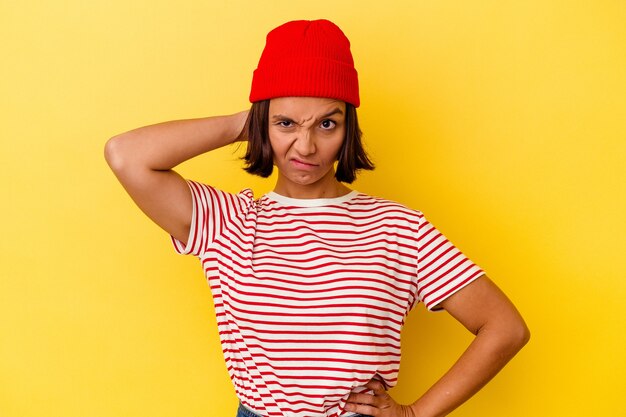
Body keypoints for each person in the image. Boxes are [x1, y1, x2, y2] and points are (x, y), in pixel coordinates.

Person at [104, 19, 529, 417]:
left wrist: (416, 413)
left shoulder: (400, 227)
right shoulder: (227, 220)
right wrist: (253, 118)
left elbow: (504, 327)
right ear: (263, 125)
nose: (304, 146)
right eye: (285, 123)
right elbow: (126, 155)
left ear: (348, 130)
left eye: (327, 123)